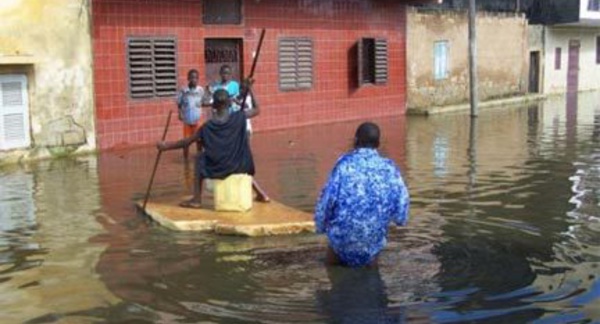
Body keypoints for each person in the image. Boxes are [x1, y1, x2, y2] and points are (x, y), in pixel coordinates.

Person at [314, 122, 410, 267]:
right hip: (372, 241)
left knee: (334, 254)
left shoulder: (343, 165)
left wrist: (320, 227)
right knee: (373, 249)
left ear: (355, 141)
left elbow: (326, 202)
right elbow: (402, 214)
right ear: (378, 143)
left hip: (342, 240)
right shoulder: (390, 169)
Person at [158, 89, 268, 208]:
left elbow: (186, 143)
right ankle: (261, 193)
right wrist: (251, 89)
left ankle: (196, 199)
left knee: (199, 158)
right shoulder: (239, 117)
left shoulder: (207, 127)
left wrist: (165, 146)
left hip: (219, 169)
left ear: (214, 106)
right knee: (240, 155)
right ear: (230, 103)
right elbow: (257, 110)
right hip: (240, 165)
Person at [176, 69, 206, 160]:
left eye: (196, 78)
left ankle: (200, 157)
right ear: (188, 78)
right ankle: (185, 158)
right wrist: (180, 113)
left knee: (199, 139)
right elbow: (179, 103)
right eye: (192, 78)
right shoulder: (184, 91)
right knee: (186, 140)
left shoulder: (201, 90)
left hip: (197, 120)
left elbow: (204, 101)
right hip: (187, 120)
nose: (194, 80)